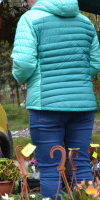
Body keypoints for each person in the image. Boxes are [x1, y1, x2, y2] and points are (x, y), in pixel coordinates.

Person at [11, 0, 100, 198]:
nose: (25, 3)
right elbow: (94, 63)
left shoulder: (30, 20)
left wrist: (23, 78)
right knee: (81, 163)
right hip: (82, 104)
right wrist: (76, 79)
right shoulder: (86, 23)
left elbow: (24, 64)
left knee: (51, 168)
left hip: (46, 105)